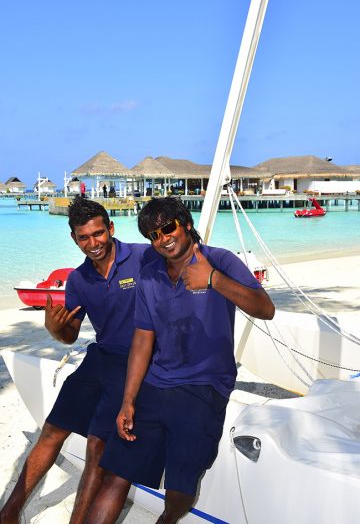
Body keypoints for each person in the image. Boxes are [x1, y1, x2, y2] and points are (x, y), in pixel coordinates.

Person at [85, 196, 275, 524]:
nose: (163, 238)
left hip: (205, 386)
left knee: (179, 490)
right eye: (153, 235)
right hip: (156, 384)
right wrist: (128, 400)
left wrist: (214, 280)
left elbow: (265, 308)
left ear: (186, 224)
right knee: (115, 473)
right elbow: (143, 338)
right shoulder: (149, 275)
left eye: (168, 228)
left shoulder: (220, 261)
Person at [0, 196, 157, 524]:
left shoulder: (144, 257)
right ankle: (10, 511)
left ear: (110, 228)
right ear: (74, 238)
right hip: (100, 357)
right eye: (83, 237)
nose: (93, 243)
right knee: (52, 429)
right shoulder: (79, 279)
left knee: (96, 444)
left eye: (98, 234)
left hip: (138, 362)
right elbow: (69, 335)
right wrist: (54, 329)